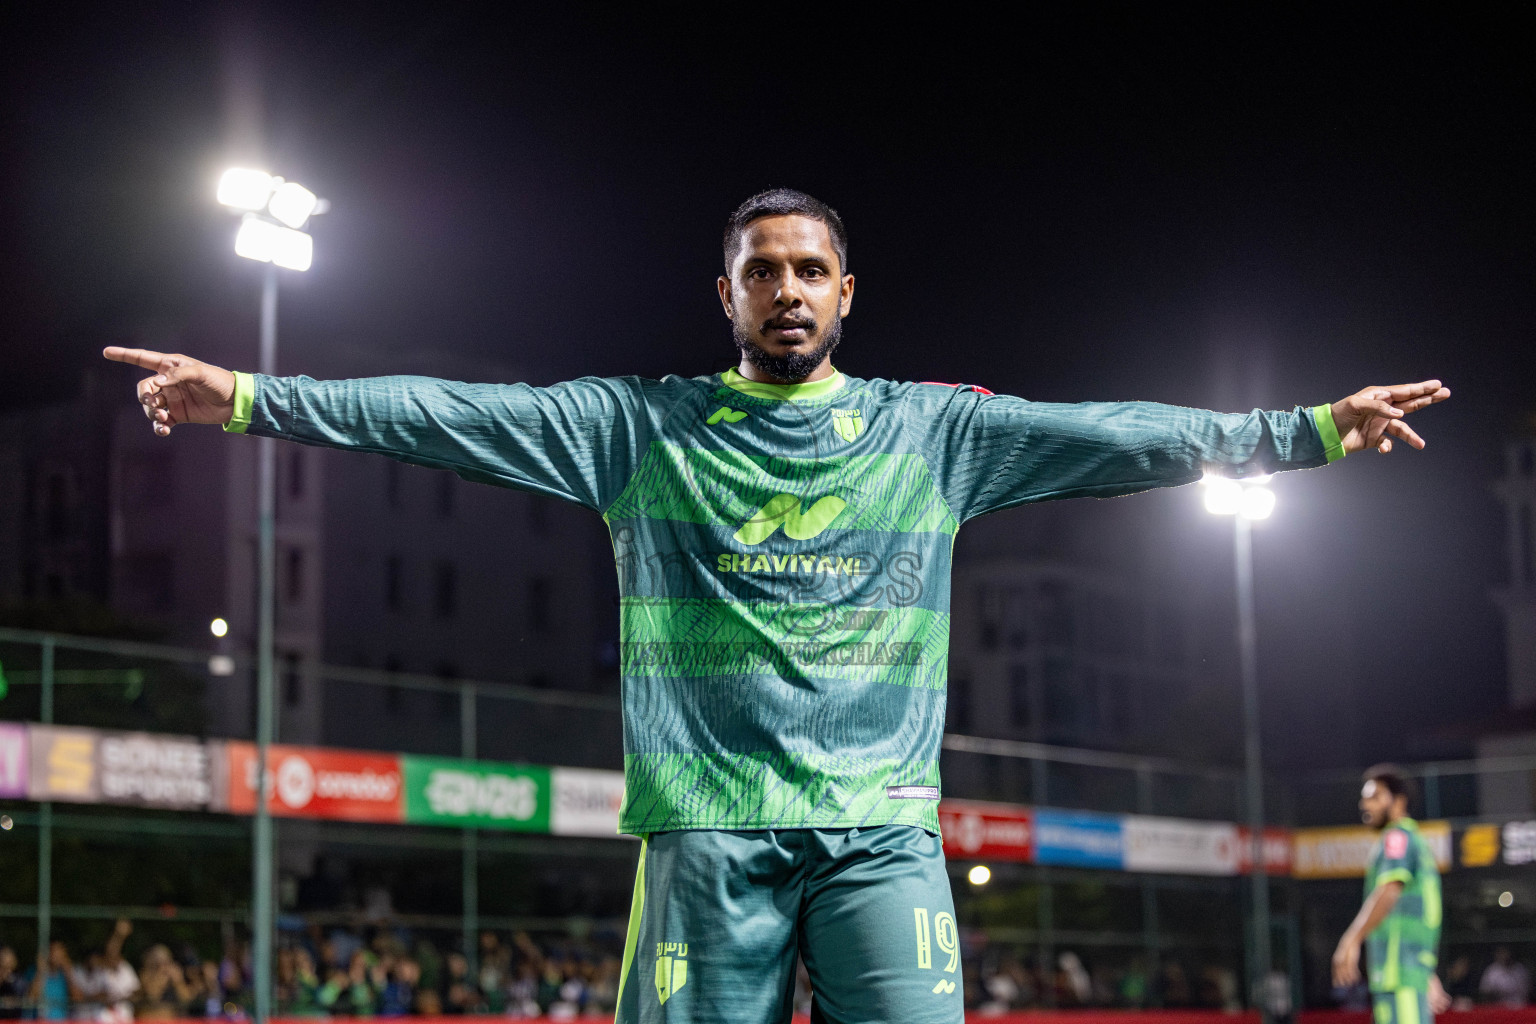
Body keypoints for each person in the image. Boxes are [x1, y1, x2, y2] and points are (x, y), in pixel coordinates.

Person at [104, 187, 1450, 1024]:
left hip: (880, 837)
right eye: (764, 271)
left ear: (846, 292)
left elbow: (1119, 438)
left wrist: (1312, 428)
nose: (788, 290)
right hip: (706, 842)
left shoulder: (936, 435)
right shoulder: (639, 429)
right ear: (728, 294)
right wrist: (250, 396)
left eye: (810, 271)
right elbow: (452, 417)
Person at [1332, 765, 1450, 1024]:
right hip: (1403, 972)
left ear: (1398, 802)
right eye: (1364, 797)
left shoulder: (1397, 838)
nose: (1365, 804)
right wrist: (1425, 971)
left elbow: (1389, 891)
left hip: (1400, 974)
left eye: (1374, 797)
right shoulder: (1413, 840)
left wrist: (1351, 940)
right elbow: (1417, 912)